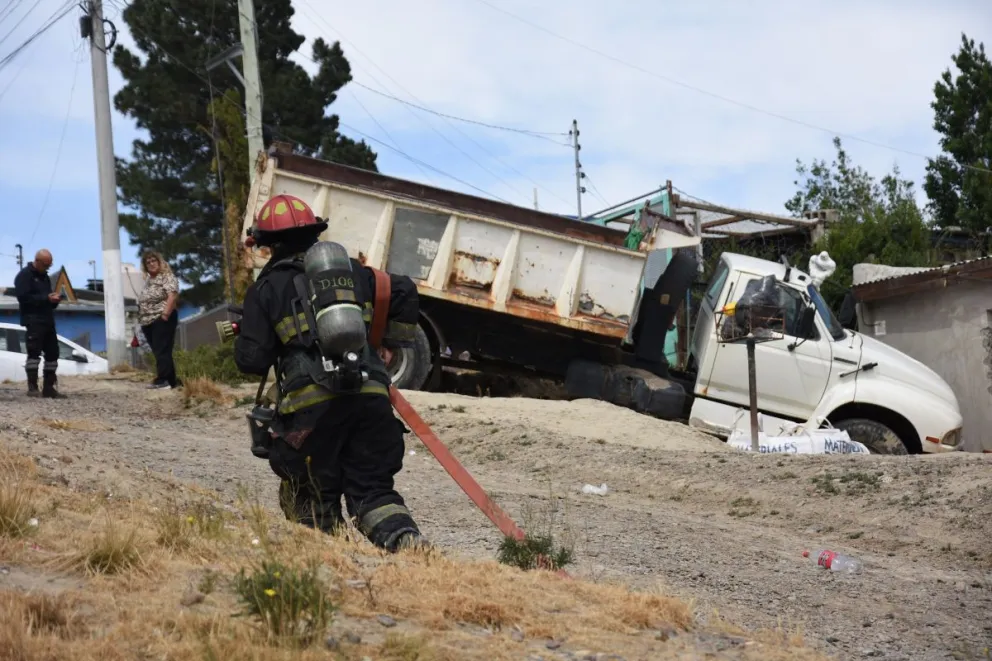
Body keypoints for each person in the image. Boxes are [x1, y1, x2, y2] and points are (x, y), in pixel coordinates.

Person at [233, 194, 427, 553]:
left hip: (310, 418)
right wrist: (387, 345)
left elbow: (252, 361)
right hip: (370, 402)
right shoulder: (352, 272)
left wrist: (247, 328)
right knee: (374, 492)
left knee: (309, 497)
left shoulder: (266, 287)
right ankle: (411, 547)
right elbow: (403, 290)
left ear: (268, 244)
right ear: (313, 233)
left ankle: (332, 571)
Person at [13, 249, 65, 398]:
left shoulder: (45, 277)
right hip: (33, 320)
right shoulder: (24, 276)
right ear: (38, 261)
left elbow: (46, 298)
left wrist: (53, 300)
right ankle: (32, 387)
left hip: (48, 320)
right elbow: (23, 298)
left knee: (53, 353)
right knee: (34, 353)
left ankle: (49, 388)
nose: (48, 267)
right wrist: (45, 299)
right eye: (46, 264)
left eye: (50, 265)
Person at [137, 250, 181, 389]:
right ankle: (171, 381)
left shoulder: (166, 276)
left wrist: (165, 315)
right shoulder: (149, 281)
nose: (151, 264)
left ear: (159, 261)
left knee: (162, 349)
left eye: (153, 260)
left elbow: (172, 295)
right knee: (160, 351)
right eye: (148, 262)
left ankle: (163, 380)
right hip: (148, 321)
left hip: (161, 318)